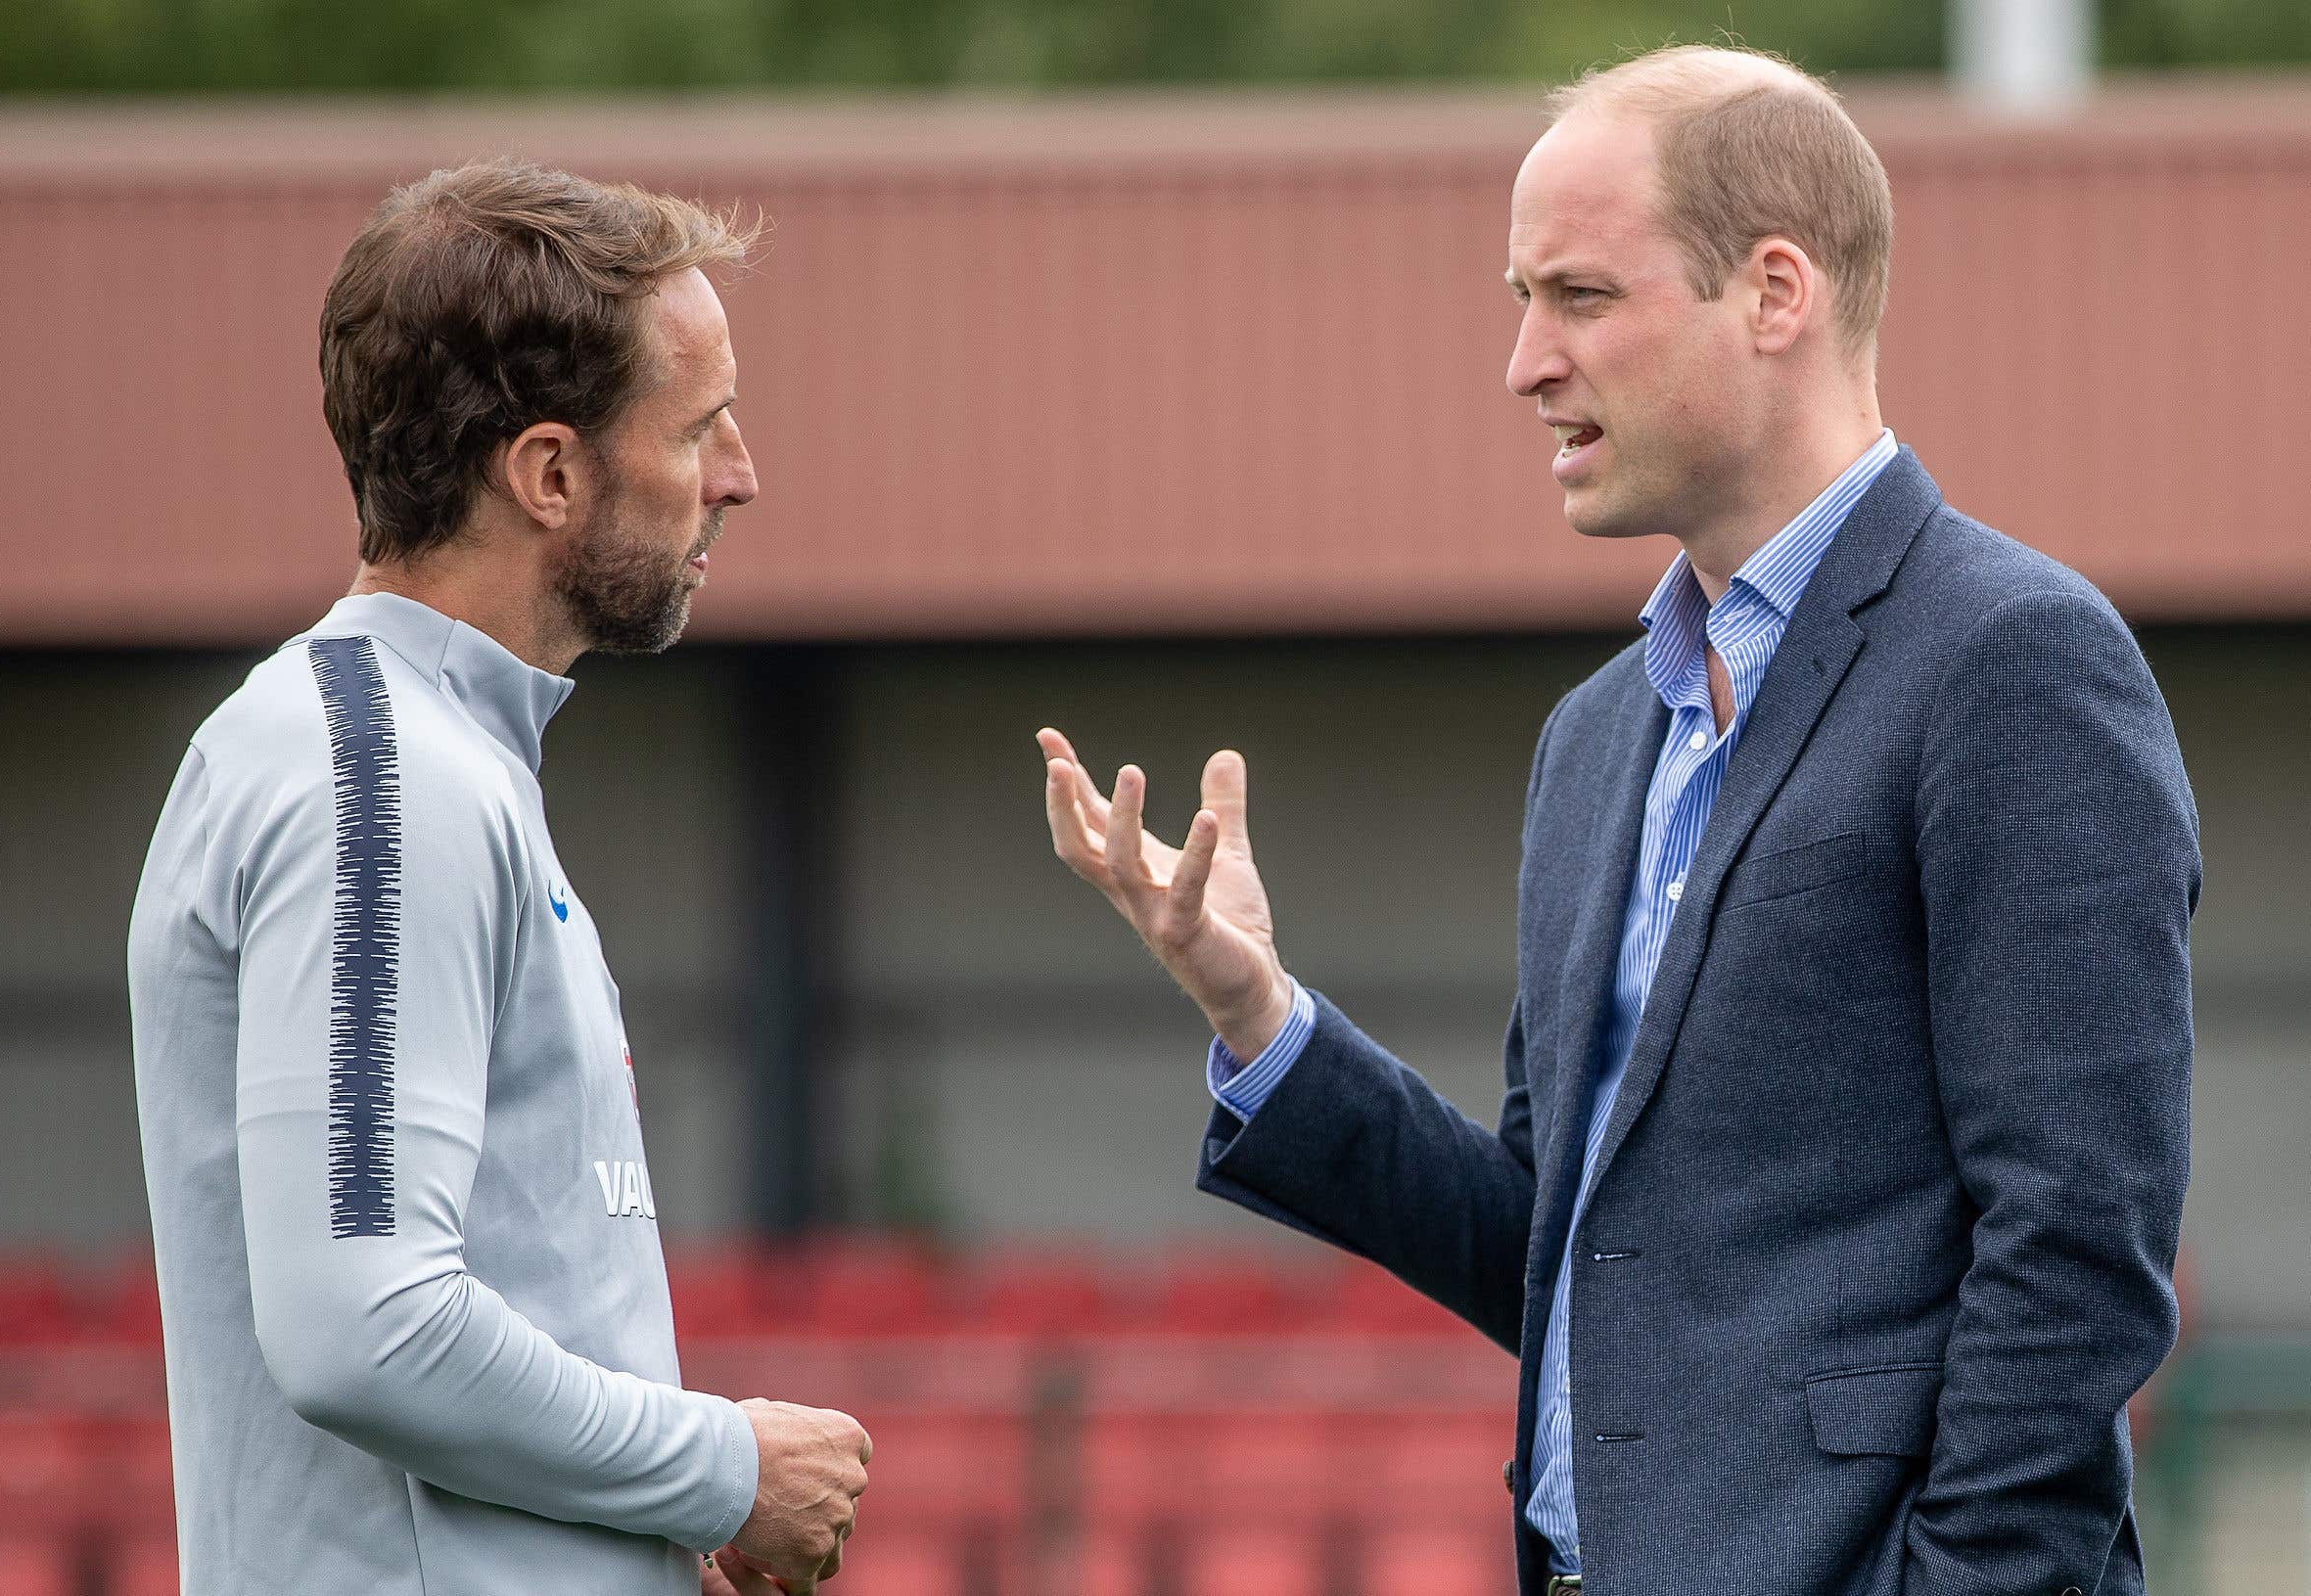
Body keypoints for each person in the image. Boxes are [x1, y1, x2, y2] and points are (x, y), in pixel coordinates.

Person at [1040, 44, 2196, 1596]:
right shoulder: (1597, 738)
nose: (1523, 362)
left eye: (1578, 297)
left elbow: (2078, 1252)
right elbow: (1558, 1249)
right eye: (1524, 301)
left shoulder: (2015, 661)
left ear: (1774, 293)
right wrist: (1261, 1015)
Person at [129, 160, 868, 1596]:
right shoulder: (378, 781)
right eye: (701, 426)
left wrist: (635, 1532)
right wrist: (715, 1468)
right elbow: (363, 1324)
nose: (740, 474)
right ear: (547, 474)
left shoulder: (421, 762)